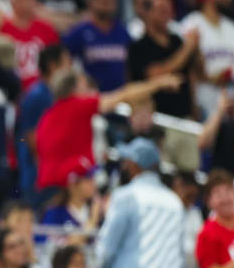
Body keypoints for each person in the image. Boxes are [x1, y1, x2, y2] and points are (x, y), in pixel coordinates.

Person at [36, 68, 179, 191]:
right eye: (85, 86)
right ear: (74, 89)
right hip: (66, 186)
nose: (90, 91)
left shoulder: (46, 116)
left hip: (47, 185)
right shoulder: (77, 106)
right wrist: (159, 83)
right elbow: (124, 95)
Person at [96, 138, 185, 268]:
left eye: (127, 161)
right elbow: (181, 253)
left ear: (134, 164)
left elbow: (105, 250)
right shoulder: (175, 201)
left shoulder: (125, 196)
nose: (125, 164)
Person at [126, 0, 199, 118]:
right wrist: (188, 49)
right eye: (161, 10)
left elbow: (191, 76)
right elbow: (156, 73)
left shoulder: (177, 41)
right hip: (155, 118)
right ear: (147, 13)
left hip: (184, 115)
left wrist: (194, 110)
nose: (167, 15)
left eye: (169, 10)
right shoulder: (138, 47)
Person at [180, 0, 234, 119]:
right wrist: (210, 77)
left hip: (231, 100)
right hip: (204, 100)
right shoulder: (191, 24)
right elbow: (188, 66)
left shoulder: (232, 27)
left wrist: (231, 75)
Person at [18, 45, 69, 200]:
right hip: (38, 174)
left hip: (54, 171)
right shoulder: (37, 95)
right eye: (67, 63)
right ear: (53, 66)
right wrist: (44, 172)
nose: (70, 68)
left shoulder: (56, 94)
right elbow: (31, 137)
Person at [62, 0, 131, 93]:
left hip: (121, 94)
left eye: (110, 1)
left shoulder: (122, 31)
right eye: (103, 1)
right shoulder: (80, 32)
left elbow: (129, 65)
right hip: (92, 95)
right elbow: (64, 58)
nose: (107, 5)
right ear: (91, 3)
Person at [0, 0, 60, 91]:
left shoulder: (46, 28)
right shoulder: (1, 28)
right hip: (12, 89)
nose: (29, 1)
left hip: (44, 89)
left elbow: (57, 61)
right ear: (12, 1)